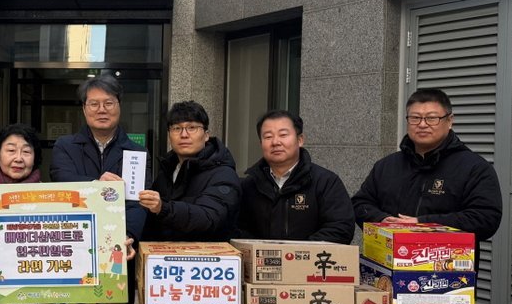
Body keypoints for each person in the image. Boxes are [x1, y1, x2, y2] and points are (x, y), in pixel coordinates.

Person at [351, 88, 503, 252]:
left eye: (432, 118)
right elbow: (360, 204)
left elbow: (486, 218)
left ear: (450, 121)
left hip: (446, 265)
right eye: (415, 118)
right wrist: (383, 220)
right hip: (387, 262)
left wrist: (422, 224)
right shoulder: (386, 165)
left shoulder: (474, 167)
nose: (422, 125)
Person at [50, 74, 147, 247]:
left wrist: (127, 236)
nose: (102, 110)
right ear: (84, 109)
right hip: (73, 239)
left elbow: (137, 203)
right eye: (94, 104)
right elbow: (62, 181)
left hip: (118, 242)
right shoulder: (64, 146)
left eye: (108, 103)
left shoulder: (136, 153)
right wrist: (97, 186)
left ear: (119, 106)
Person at [237, 110, 356, 242]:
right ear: (261, 144)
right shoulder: (249, 185)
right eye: (268, 137)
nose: (275, 142)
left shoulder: (325, 182)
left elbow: (340, 228)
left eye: (283, 135)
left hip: (311, 255)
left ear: (300, 140)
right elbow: (238, 230)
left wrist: (298, 251)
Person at [137, 101, 240, 242]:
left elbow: (209, 218)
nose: (184, 134)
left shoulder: (223, 174)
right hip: (164, 255)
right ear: (169, 135)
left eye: (192, 128)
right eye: (176, 128)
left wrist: (163, 208)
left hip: (208, 254)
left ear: (206, 135)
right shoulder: (166, 173)